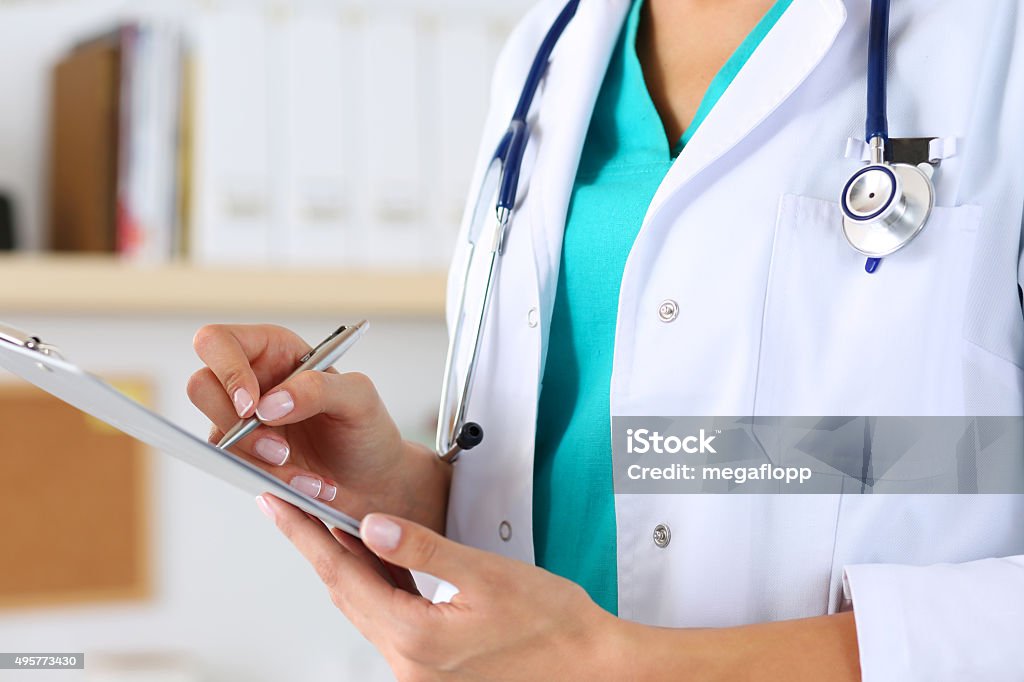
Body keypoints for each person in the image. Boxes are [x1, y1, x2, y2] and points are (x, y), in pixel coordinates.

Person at [187, 0, 1024, 678]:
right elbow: (591, 478)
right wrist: (411, 496)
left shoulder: (994, 38)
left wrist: (629, 664)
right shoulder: (545, 51)